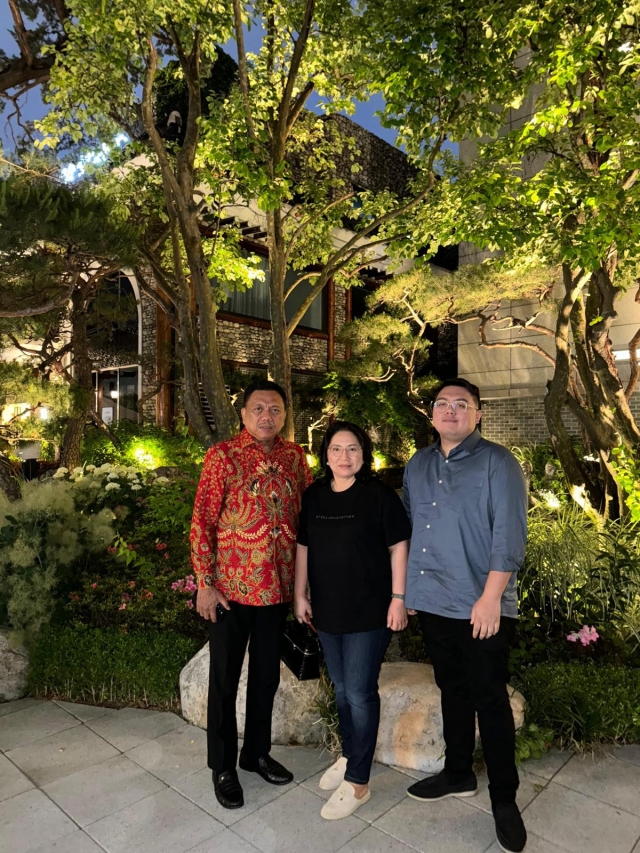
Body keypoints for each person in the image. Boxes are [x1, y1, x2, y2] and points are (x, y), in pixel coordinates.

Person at [402, 378, 528, 853]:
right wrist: (411, 589)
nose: (451, 411)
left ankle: (504, 799)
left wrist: (492, 596)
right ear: (432, 413)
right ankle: (458, 773)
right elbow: (414, 528)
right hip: (434, 601)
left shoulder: (498, 463)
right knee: (451, 690)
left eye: (462, 404)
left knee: (489, 699)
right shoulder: (418, 464)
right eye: (442, 404)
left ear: (478, 414)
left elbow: (509, 535)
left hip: (482, 605)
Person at [190, 379, 313, 810]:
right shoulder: (222, 457)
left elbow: (309, 521)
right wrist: (204, 582)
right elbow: (202, 521)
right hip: (230, 592)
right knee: (223, 681)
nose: (267, 416)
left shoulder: (296, 458)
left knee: (266, 679)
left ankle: (256, 753)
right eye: (258, 408)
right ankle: (222, 766)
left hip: (278, 591)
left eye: (275, 409)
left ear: (284, 415)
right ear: (243, 414)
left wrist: (307, 583)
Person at [294, 421, 411, 820]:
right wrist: (299, 594)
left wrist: (399, 599)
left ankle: (359, 781)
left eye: (354, 449)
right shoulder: (313, 497)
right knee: (342, 691)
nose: (345, 457)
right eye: (337, 449)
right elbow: (304, 547)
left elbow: (399, 548)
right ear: (325, 455)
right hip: (328, 610)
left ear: (365, 454)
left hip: (369, 610)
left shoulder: (378, 497)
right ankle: (349, 756)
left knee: (360, 692)